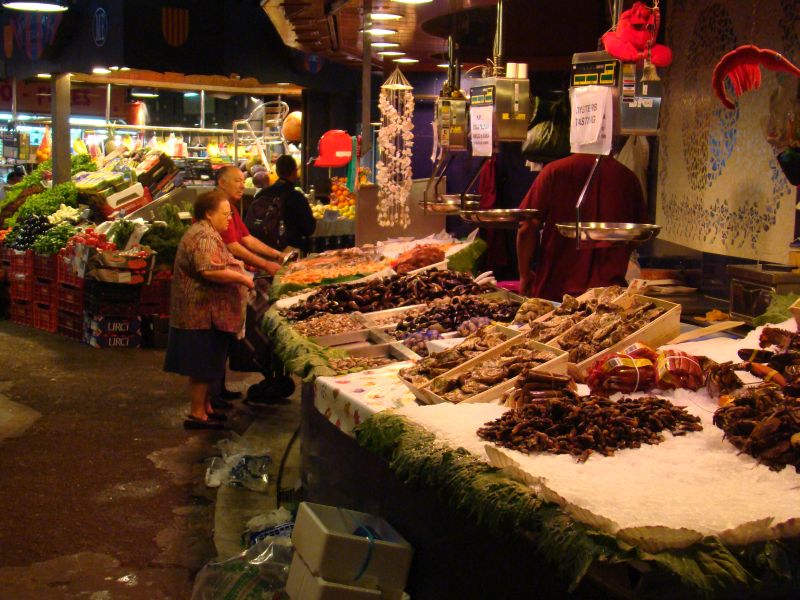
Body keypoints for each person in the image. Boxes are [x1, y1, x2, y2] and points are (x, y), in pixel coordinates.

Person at [164, 191, 254, 430]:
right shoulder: (204, 236)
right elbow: (208, 271)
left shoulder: (208, 233)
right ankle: (197, 414)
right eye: (224, 215)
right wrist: (242, 278)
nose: (228, 220)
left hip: (206, 314)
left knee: (209, 365)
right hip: (200, 315)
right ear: (208, 214)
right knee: (202, 367)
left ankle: (206, 409)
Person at [516, 152, 646, 301]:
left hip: (555, 292)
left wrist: (524, 275)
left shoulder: (553, 171)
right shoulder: (627, 177)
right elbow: (638, 237)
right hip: (608, 295)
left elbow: (526, 226)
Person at [215, 165, 285, 274]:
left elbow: (247, 238)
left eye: (243, 182)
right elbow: (232, 247)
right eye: (237, 181)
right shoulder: (216, 207)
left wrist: (278, 254)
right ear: (222, 183)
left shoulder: (231, 206)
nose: (242, 186)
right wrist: (265, 265)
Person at [246, 154, 316, 252]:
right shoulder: (297, 197)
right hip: (288, 251)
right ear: (295, 172)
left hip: (263, 248)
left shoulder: (262, 193)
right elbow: (308, 229)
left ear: (277, 172)